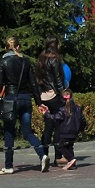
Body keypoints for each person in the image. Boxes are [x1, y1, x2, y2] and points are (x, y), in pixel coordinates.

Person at [0, 36, 46, 174]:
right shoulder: (26, 62)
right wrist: (39, 102)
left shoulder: (3, 61)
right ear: (18, 47)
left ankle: (9, 166)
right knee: (27, 131)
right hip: (26, 99)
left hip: (11, 100)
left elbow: (0, 84)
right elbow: (33, 84)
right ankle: (43, 155)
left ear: (7, 48)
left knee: (9, 132)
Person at [36, 37, 67, 172]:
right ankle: (58, 156)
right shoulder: (55, 59)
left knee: (48, 126)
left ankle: (44, 155)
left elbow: (37, 78)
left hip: (43, 95)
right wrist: (63, 94)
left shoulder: (41, 58)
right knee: (59, 125)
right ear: (56, 45)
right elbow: (58, 80)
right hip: (54, 95)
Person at [52, 89, 86, 170]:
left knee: (61, 147)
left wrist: (46, 114)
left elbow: (56, 118)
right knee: (70, 147)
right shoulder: (78, 108)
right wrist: (81, 129)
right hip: (74, 132)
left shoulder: (62, 109)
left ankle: (71, 159)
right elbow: (83, 120)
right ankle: (72, 164)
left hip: (65, 132)